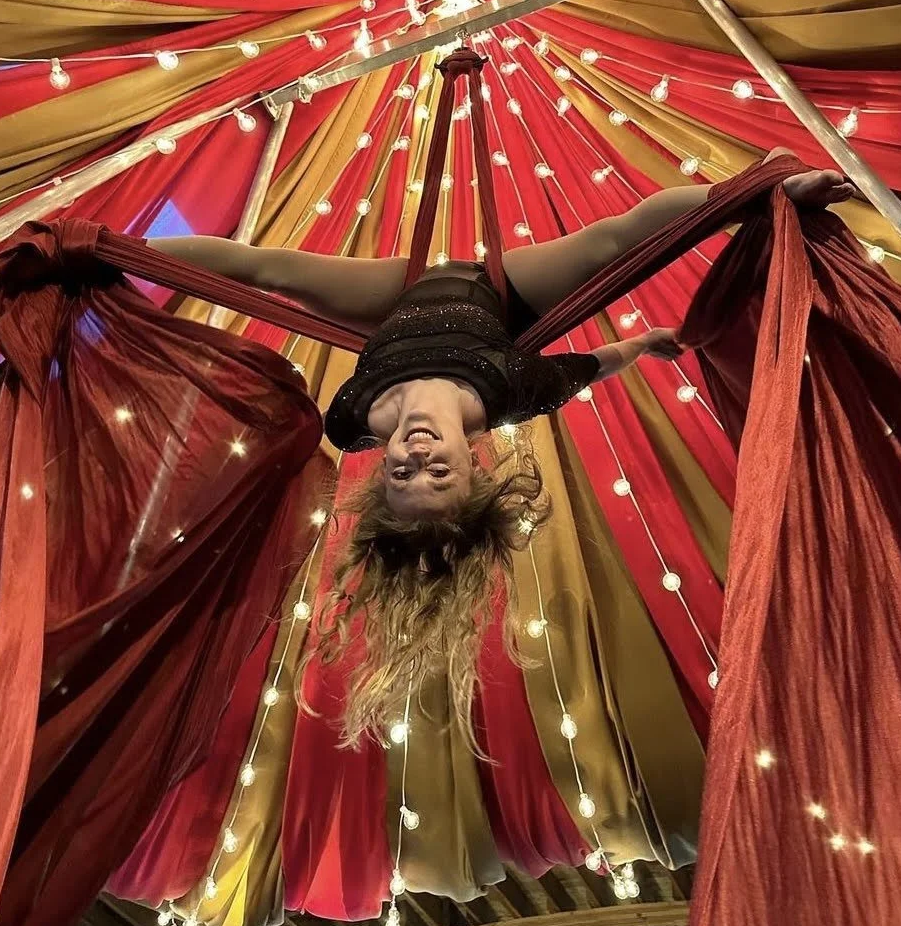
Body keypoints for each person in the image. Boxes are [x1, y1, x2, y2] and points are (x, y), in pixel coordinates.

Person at [150, 150, 851, 741]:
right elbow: (584, 367)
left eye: (403, 474)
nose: (417, 454)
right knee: (615, 242)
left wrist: (112, 259)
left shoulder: (348, 418)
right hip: (495, 289)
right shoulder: (512, 388)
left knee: (268, 270)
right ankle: (753, 193)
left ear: (381, 471)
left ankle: (129, 254)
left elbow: (264, 317)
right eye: (439, 472)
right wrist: (636, 346)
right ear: (472, 469)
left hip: (392, 300)